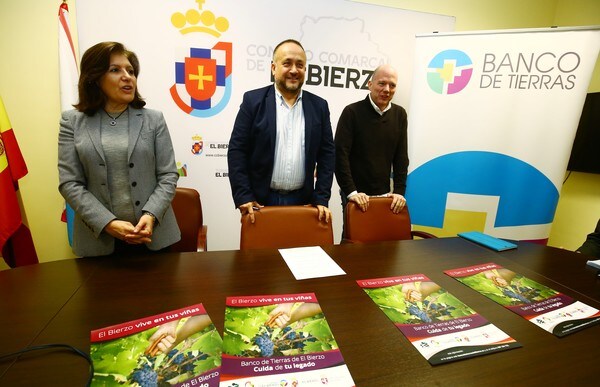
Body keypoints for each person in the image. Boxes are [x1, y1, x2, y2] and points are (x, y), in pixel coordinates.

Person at [58, 41, 180, 257]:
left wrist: (150, 215)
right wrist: (108, 223)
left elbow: (168, 175)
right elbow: (70, 183)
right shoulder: (72, 121)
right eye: (115, 70)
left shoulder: (153, 119)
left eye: (131, 71)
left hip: (153, 238)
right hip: (98, 241)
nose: (128, 77)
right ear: (94, 78)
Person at [227, 39, 335, 224]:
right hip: (260, 203)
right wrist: (243, 195)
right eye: (287, 63)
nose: (294, 70)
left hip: (304, 204)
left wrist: (321, 197)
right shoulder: (253, 101)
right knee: (261, 254)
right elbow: (237, 150)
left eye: (300, 65)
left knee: (300, 252)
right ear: (273, 68)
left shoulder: (319, 106)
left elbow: (327, 155)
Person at [334, 64, 408, 218]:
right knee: (351, 239)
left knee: (380, 240)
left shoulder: (399, 114)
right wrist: (351, 192)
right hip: (355, 195)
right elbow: (340, 155)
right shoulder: (352, 112)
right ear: (370, 85)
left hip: (385, 195)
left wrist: (399, 193)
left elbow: (401, 158)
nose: (387, 89)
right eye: (381, 83)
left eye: (392, 85)